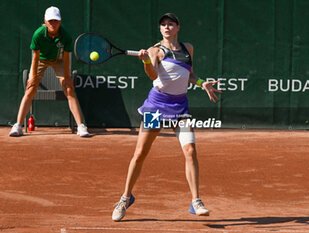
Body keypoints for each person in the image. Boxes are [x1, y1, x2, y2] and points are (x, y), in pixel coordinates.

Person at [112, 13, 222, 221]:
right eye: (163, 24)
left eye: (171, 24)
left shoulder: (188, 48)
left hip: (180, 108)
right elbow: (153, 75)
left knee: (190, 150)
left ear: (178, 27)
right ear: (160, 29)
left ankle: (196, 200)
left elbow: (188, 74)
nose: (167, 27)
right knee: (140, 154)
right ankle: (125, 198)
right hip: (156, 106)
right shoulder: (155, 50)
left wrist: (202, 83)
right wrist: (146, 62)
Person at [9, 6, 89, 137]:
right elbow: (35, 57)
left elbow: (66, 57)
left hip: (59, 60)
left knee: (69, 89)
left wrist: (67, 76)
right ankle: (17, 126)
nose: (53, 24)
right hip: (41, 60)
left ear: (60, 21)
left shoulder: (66, 36)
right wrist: (33, 76)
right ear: (45, 21)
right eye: (50, 21)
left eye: (56, 21)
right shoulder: (38, 34)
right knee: (30, 88)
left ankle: (81, 126)